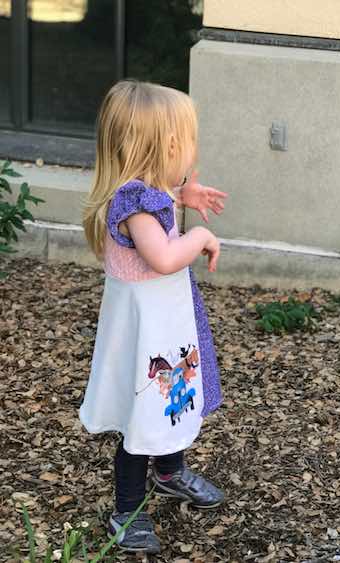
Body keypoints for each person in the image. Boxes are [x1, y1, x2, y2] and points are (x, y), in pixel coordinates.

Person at [80, 80, 227, 553]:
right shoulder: (135, 205)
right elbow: (163, 256)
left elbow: (161, 198)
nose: (192, 152)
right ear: (163, 146)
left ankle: (169, 472)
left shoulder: (146, 193)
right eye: (188, 143)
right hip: (148, 333)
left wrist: (183, 197)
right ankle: (126, 509)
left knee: (173, 398)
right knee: (141, 414)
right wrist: (200, 236)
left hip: (163, 326)